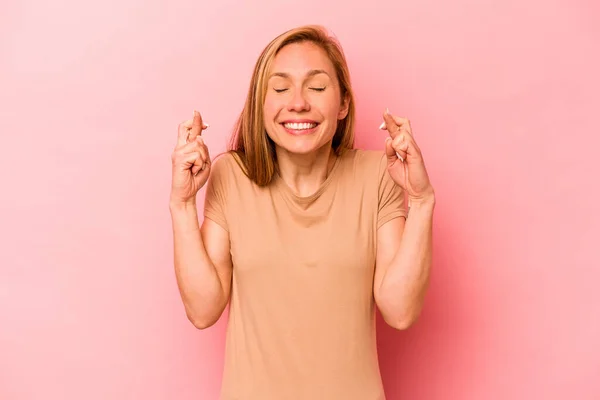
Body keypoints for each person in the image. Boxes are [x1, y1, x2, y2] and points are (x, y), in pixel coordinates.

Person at [169, 25, 435, 400]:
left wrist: (421, 200)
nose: (297, 103)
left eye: (317, 87)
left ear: (343, 103)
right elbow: (203, 309)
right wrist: (181, 205)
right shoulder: (231, 175)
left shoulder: (379, 175)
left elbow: (400, 310)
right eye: (279, 89)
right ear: (260, 104)